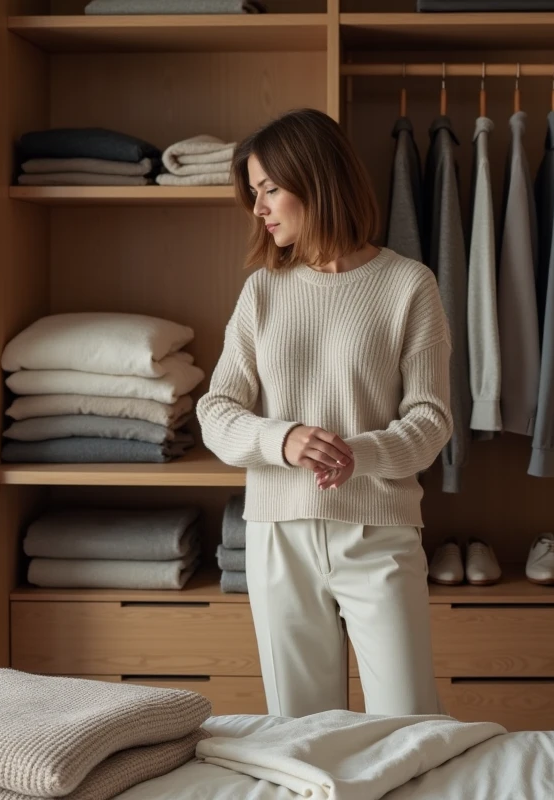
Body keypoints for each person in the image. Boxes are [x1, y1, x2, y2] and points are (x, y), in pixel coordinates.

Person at [197, 108, 453, 717]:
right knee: (299, 732)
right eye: (254, 193)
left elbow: (432, 419)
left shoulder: (408, 285)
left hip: (379, 531)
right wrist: (282, 440)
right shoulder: (262, 290)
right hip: (277, 533)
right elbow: (215, 409)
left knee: (408, 723)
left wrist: (356, 454)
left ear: (316, 180)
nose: (258, 208)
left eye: (270, 189)